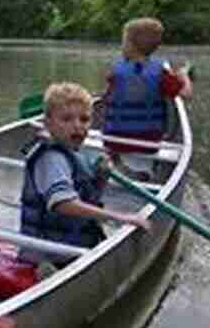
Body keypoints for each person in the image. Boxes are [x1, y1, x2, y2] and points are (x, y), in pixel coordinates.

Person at [20, 82, 151, 269]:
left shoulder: (73, 151)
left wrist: (100, 177)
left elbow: (86, 196)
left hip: (70, 244)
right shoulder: (52, 158)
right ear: (48, 123)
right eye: (66, 119)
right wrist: (120, 217)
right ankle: (45, 271)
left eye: (84, 119)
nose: (77, 126)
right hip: (52, 252)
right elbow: (63, 204)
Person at [101, 17, 192, 180]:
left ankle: (117, 166)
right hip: (147, 143)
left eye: (123, 42)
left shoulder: (115, 71)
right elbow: (186, 94)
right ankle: (140, 173)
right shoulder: (161, 73)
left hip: (113, 140)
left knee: (115, 147)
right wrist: (184, 77)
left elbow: (107, 97)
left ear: (130, 45)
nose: (122, 46)